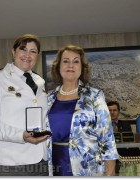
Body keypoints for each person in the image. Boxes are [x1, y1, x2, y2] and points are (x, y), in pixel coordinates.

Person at [0, 34, 49, 176]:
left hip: (41, 160)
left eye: (33, 51)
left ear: (37, 55)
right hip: (9, 162)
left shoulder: (39, 81)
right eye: (23, 49)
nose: (27, 55)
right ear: (13, 51)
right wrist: (20, 135)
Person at [46, 45, 119, 176]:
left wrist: (110, 174)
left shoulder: (95, 96)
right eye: (66, 61)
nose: (70, 65)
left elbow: (107, 139)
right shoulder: (48, 98)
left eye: (76, 61)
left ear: (82, 67)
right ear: (58, 66)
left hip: (87, 169)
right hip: (54, 166)